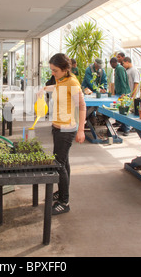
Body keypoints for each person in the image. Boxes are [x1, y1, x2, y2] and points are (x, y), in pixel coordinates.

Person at [38, 53, 86, 215]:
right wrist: (44, 89)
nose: (53, 73)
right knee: (64, 162)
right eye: (51, 70)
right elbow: (57, 88)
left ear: (66, 69)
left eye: (55, 70)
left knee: (58, 164)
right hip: (57, 128)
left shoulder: (72, 82)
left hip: (66, 130)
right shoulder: (61, 80)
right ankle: (61, 192)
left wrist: (81, 130)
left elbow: (82, 106)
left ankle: (64, 201)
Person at [110, 57, 131, 136]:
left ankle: (127, 128)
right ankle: (123, 127)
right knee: (120, 111)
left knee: (124, 111)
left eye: (111, 64)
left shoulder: (120, 69)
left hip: (124, 93)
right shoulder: (117, 69)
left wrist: (124, 93)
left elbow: (123, 81)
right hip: (119, 93)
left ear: (113, 63)